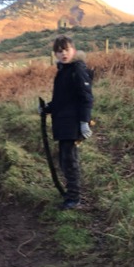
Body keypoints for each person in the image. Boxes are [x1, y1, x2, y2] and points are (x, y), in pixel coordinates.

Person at [49, 35, 93, 210]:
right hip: (62, 123)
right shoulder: (63, 71)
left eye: (66, 50)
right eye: (59, 51)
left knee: (69, 160)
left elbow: (87, 98)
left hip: (72, 123)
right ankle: (70, 193)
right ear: (55, 54)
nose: (63, 54)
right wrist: (47, 108)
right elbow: (62, 99)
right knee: (64, 160)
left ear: (73, 50)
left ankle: (74, 198)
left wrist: (84, 122)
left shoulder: (77, 70)